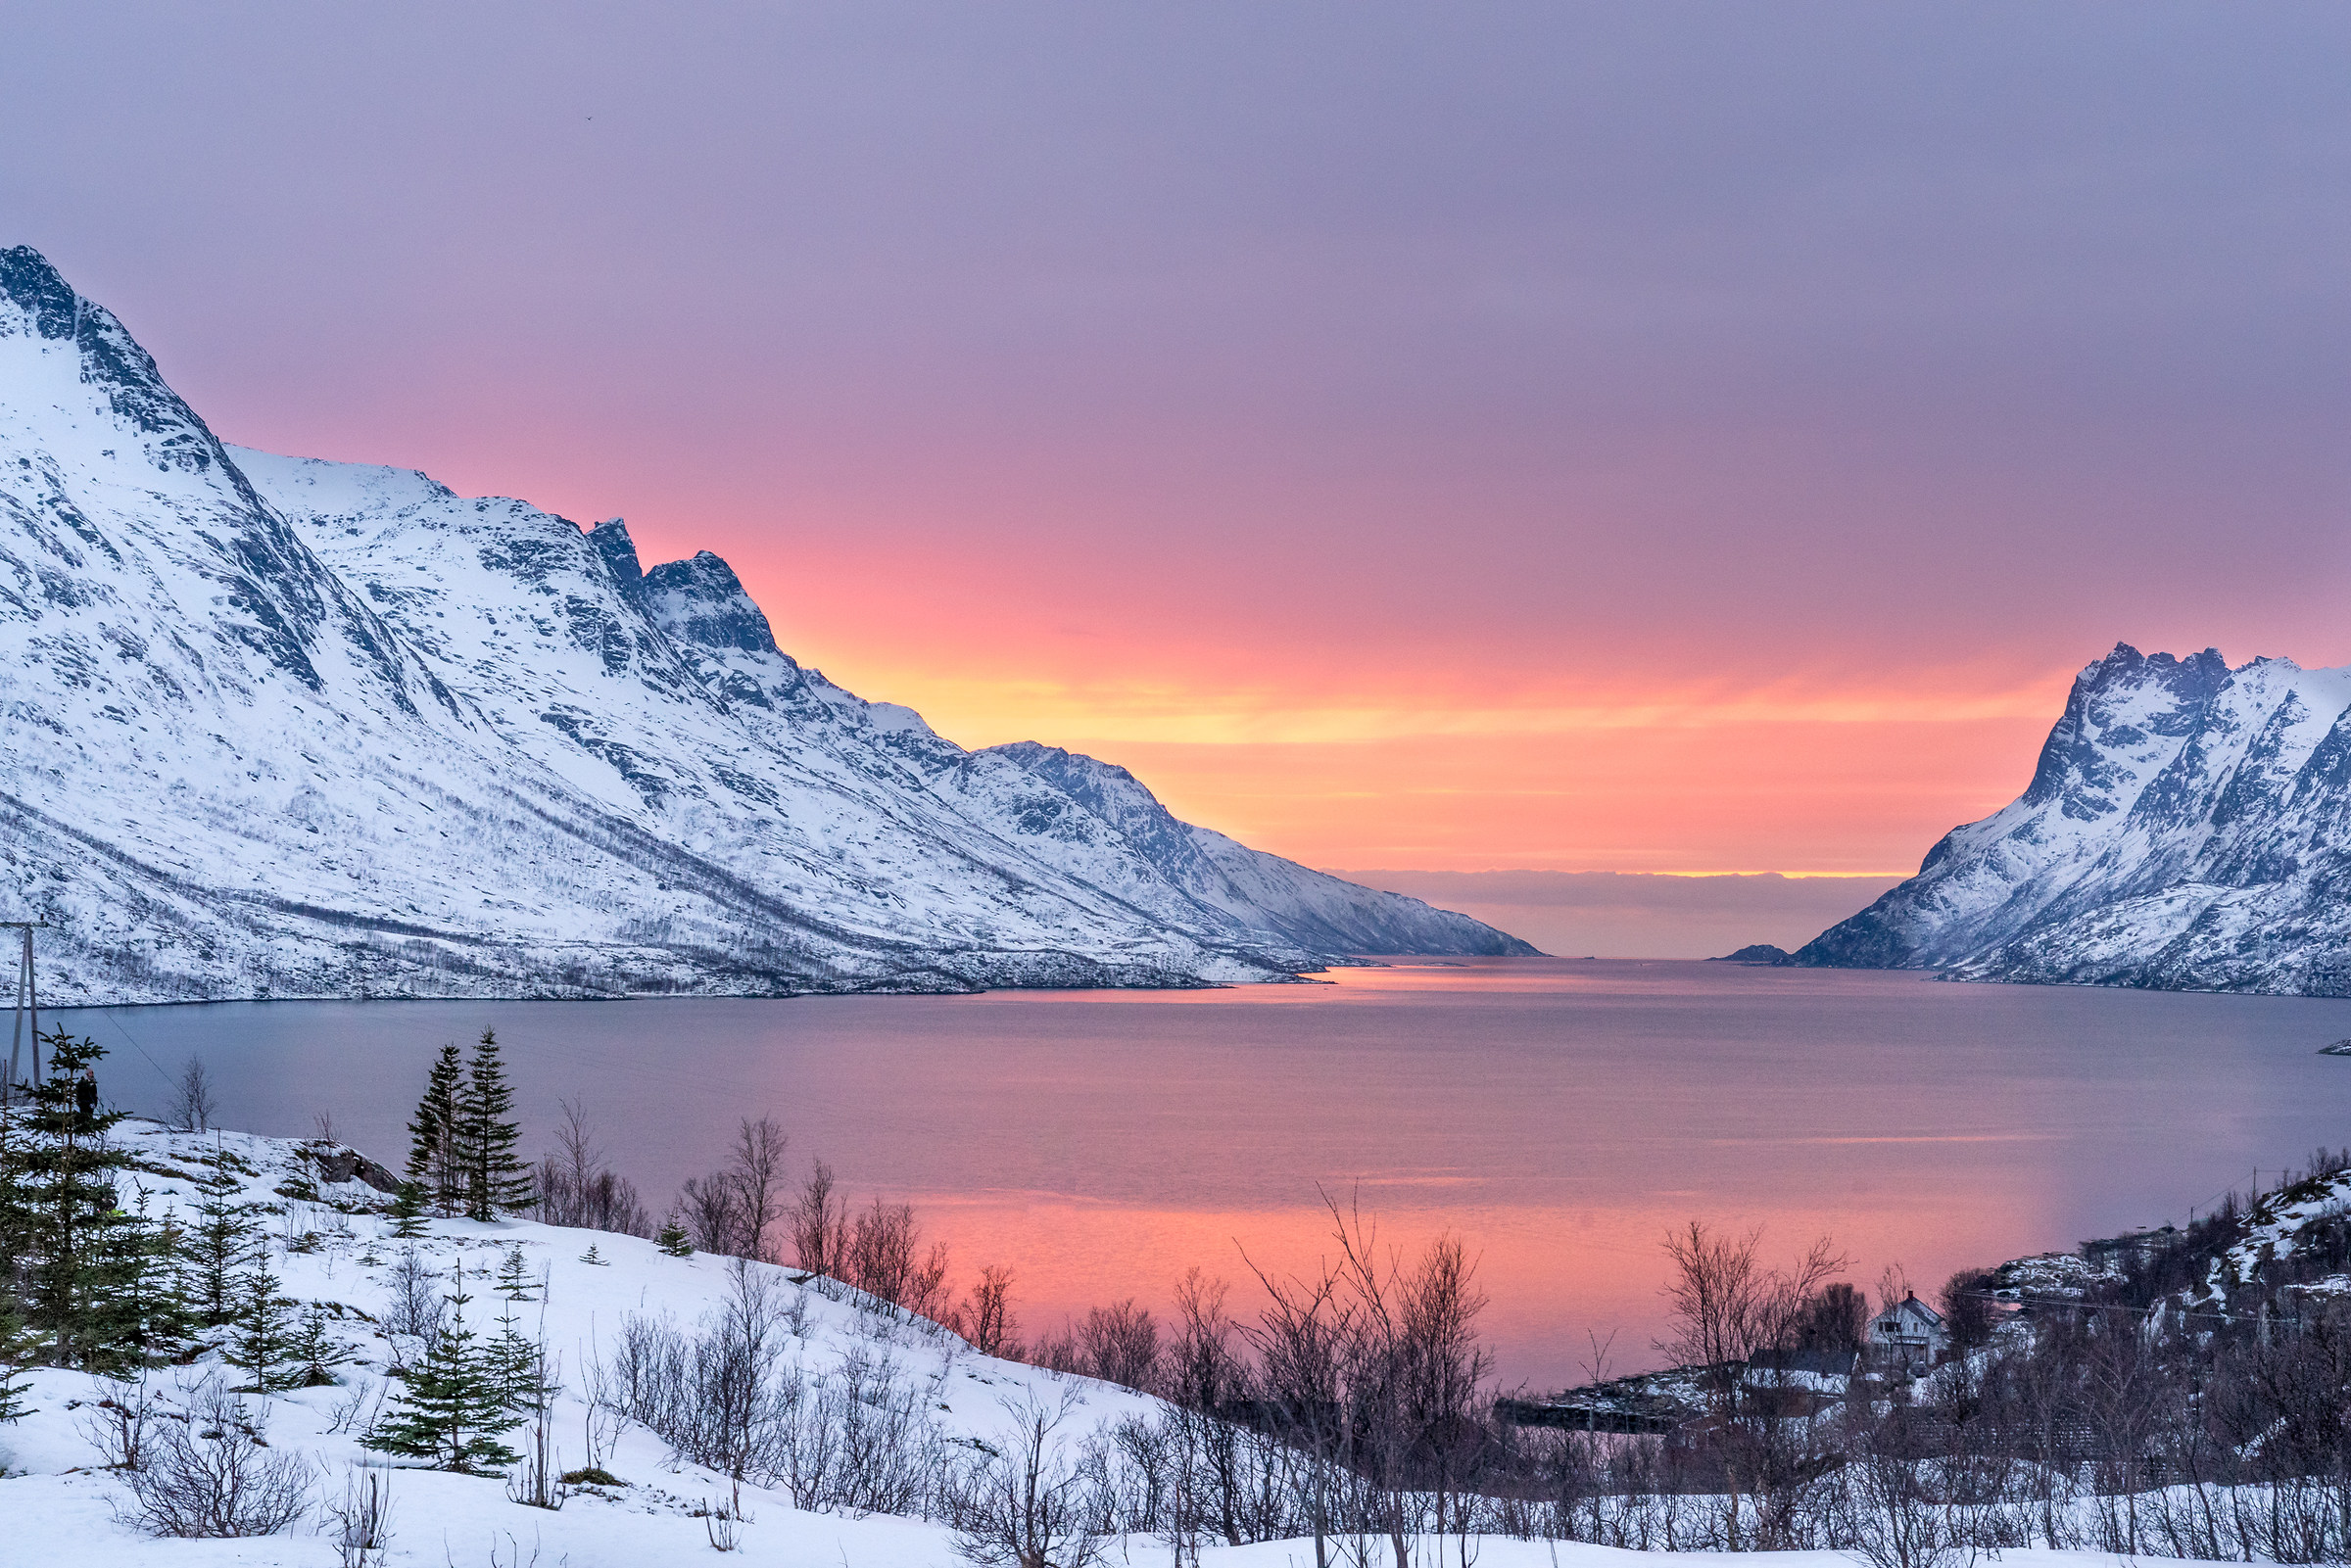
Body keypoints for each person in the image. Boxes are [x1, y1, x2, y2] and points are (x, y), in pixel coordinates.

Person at [75, 1067, 96, 1132]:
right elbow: (79, 1093)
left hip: (91, 1103)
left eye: (92, 1073)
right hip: (83, 1103)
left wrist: (95, 1103)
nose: (91, 1074)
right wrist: (80, 1101)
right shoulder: (81, 1083)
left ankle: (89, 1129)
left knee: (90, 1116)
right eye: (90, 1073)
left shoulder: (93, 1083)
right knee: (83, 1116)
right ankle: (82, 1129)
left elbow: (95, 1094)